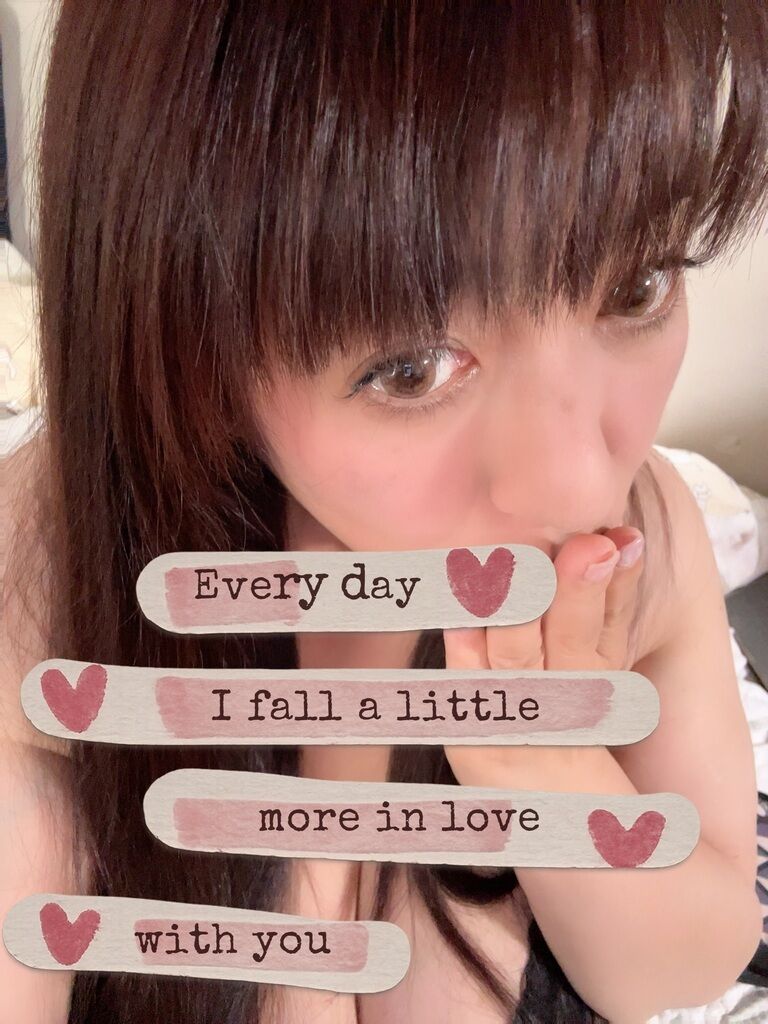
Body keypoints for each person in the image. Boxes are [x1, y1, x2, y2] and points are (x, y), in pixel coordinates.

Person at [3, 2, 768, 1021]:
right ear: (188, 359)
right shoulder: (48, 595)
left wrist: (537, 760)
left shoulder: (644, 534)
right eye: (410, 368)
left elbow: (676, 969)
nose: (583, 485)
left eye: (636, 285)